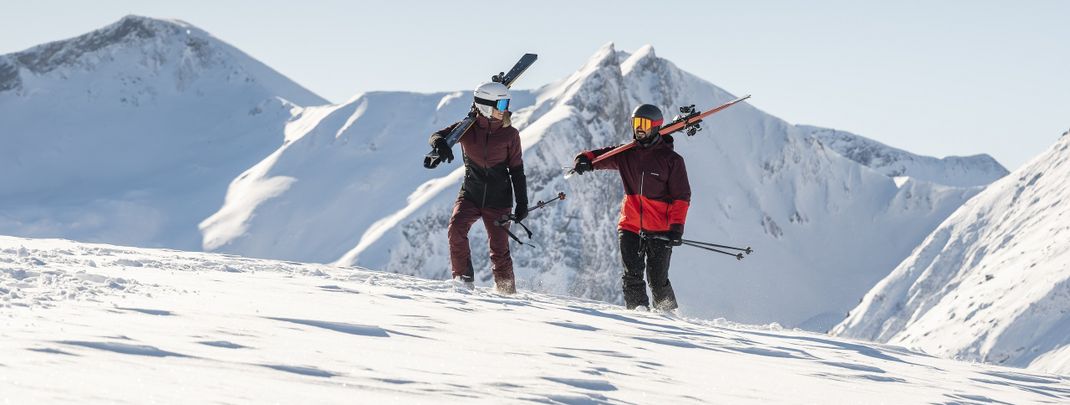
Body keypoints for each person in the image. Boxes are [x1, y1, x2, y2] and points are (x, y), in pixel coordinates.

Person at [571, 104, 691, 311]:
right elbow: (600, 156)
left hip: (660, 229)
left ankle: (668, 316)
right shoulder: (626, 153)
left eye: (644, 123)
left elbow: (681, 197)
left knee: (657, 280)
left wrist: (676, 228)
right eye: (636, 123)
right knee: (631, 276)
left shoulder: (672, 161)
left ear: (655, 126)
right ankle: (638, 316)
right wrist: (584, 159)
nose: (639, 128)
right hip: (630, 225)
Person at [427, 82, 527, 294]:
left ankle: (506, 292)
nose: (506, 108)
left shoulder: (510, 134)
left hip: (499, 199)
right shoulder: (466, 128)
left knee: (499, 249)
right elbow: (436, 135)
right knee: (456, 229)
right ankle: (463, 280)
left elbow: (517, 171)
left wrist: (522, 203)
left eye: (507, 103)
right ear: (485, 106)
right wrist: (440, 144)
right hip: (470, 194)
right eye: (501, 104)